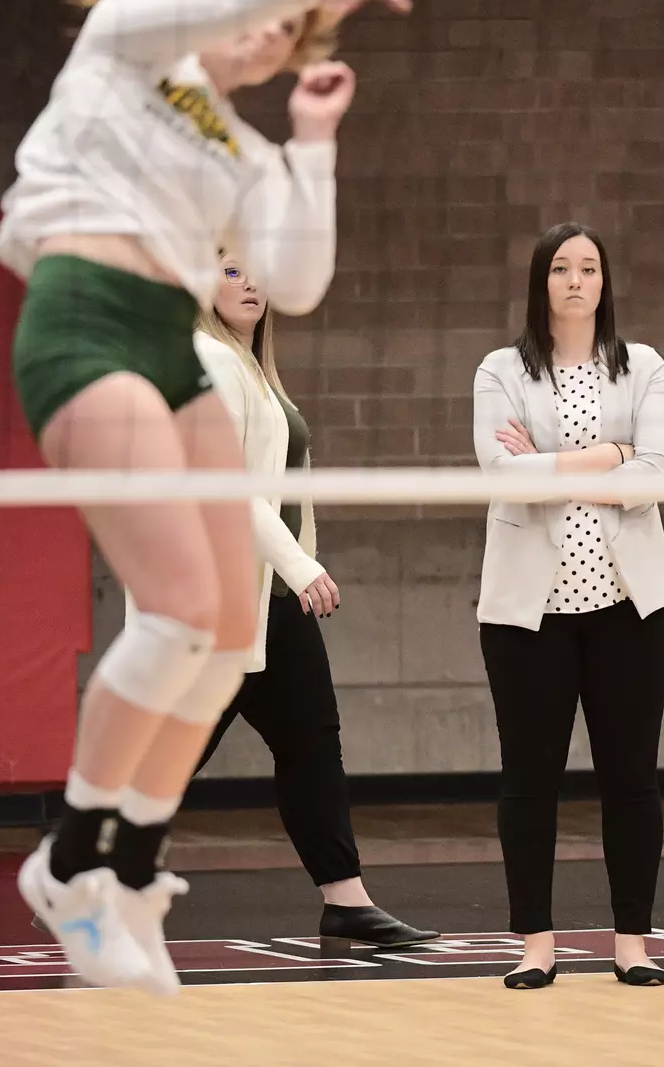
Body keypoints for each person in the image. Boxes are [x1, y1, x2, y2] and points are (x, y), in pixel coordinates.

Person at [0, 0, 409, 996]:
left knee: (230, 633)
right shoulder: (125, 48)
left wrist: (314, 145)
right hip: (84, 323)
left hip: (169, 349)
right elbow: (186, 9)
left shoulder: (242, 147)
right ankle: (69, 858)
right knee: (176, 610)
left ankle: (132, 869)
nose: (270, 46)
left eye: (288, 41)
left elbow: (299, 284)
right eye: (264, 23)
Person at [186, 251, 438, 947]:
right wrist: (299, 567)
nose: (253, 283)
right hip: (229, 594)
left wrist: (296, 565)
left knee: (310, 742)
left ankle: (345, 900)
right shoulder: (206, 357)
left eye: (259, 270)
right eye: (232, 270)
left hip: (267, 593)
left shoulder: (249, 367)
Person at [471, 222, 664, 990]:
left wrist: (558, 462)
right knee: (529, 779)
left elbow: (659, 476)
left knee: (632, 779)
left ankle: (633, 942)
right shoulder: (499, 371)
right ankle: (536, 943)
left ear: (605, 282)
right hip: (529, 614)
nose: (576, 279)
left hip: (633, 608)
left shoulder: (644, 367)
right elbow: (504, 476)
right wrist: (612, 458)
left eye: (589, 267)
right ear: (541, 281)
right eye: (561, 267)